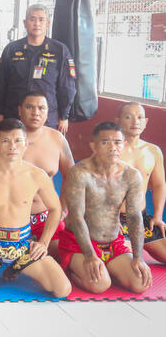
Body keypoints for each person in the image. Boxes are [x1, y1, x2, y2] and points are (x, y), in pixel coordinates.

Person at [0, 119, 71, 297]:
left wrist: (43, 243)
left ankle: (20, 267)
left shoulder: (37, 175)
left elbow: (55, 209)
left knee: (63, 289)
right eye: (6, 141)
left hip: (23, 244)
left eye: (18, 141)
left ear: (25, 144)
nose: (12, 146)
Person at [57, 122, 151, 293]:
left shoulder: (131, 175)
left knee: (140, 283)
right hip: (79, 243)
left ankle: (110, 269)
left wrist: (138, 257)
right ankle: (72, 268)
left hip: (113, 243)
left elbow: (134, 217)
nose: (113, 147)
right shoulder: (80, 173)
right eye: (106, 142)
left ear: (124, 145)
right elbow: (77, 217)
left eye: (117, 142)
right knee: (99, 285)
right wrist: (90, 255)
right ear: (93, 146)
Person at [0, 92, 74, 247]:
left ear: (48, 111)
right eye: (30, 107)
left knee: (60, 256)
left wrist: (62, 210)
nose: (36, 112)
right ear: (20, 110)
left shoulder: (57, 139)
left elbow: (72, 178)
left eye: (41, 108)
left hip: (44, 218)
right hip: (8, 222)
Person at [0, 4, 76, 133]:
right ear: (25, 23)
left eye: (41, 20)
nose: (37, 23)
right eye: (32, 19)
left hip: (46, 117)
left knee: (44, 152)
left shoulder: (60, 50)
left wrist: (64, 116)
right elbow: (0, 83)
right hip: (14, 115)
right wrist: (0, 112)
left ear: (47, 24)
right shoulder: (12, 49)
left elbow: (67, 86)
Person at [117, 102, 166, 262]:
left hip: (141, 219)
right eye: (129, 117)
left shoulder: (153, 151)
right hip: (116, 219)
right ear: (119, 120)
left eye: (139, 117)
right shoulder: (111, 150)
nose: (135, 122)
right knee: (130, 264)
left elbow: (159, 185)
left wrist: (157, 216)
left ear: (146, 122)